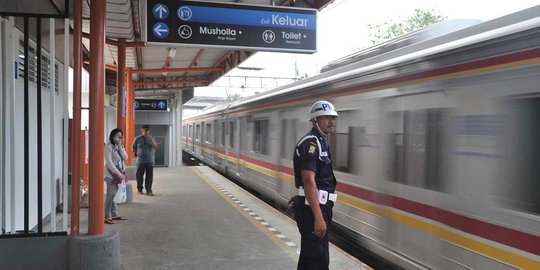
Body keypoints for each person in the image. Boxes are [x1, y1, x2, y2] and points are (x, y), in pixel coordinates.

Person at [292, 101, 339, 270]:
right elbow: (309, 181)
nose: (331, 121)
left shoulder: (322, 141)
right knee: (318, 261)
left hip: (317, 206)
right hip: (314, 210)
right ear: (315, 120)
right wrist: (318, 217)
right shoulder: (311, 144)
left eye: (333, 118)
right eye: (326, 117)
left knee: (310, 259)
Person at [104, 128, 128, 224]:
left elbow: (125, 157)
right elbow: (109, 163)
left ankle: (114, 214)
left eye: (121, 137)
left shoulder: (118, 147)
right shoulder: (108, 147)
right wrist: (119, 174)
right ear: (112, 136)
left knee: (113, 195)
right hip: (111, 175)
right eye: (117, 136)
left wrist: (120, 147)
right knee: (110, 195)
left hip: (119, 174)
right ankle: (106, 217)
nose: (119, 138)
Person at [132, 124, 158, 196]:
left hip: (149, 160)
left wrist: (152, 142)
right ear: (141, 131)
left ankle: (149, 190)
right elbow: (133, 148)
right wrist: (137, 154)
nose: (146, 132)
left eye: (147, 130)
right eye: (144, 130)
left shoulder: (151, 138)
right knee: (139, 176)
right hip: (140, 161)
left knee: (149, 176)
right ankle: (140, 189)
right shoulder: (137, 139)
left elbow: (156, 147)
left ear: (149, 131)